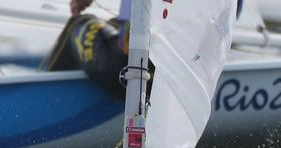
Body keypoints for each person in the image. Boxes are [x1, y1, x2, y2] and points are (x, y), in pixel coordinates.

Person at [42, 0, 243, 99]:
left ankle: (37, 103)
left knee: (79, 24)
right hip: (183, 74)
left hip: (128, 68)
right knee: (112, 24)